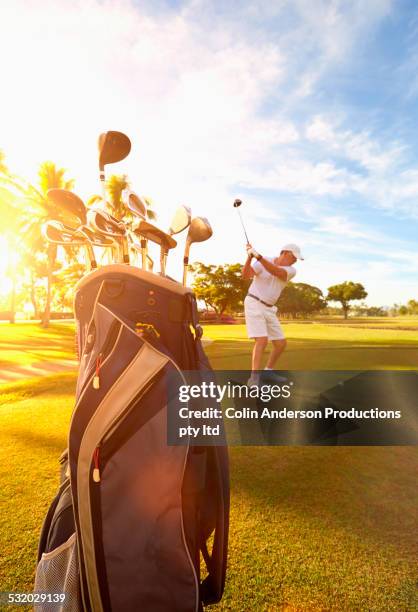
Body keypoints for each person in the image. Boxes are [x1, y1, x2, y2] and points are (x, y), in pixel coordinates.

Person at [242, 243, 304, 386]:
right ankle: (254, 379)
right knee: (262, 340)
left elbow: (277, 272)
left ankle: (268, 371)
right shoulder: (265, 260)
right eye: (294, 257)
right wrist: (249, 258)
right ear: (285, 253)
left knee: (281, 343)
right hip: (254, 302)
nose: (295, 260)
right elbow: (245, 275)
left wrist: (258, 256)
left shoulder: (291, 270)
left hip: (270, 308)